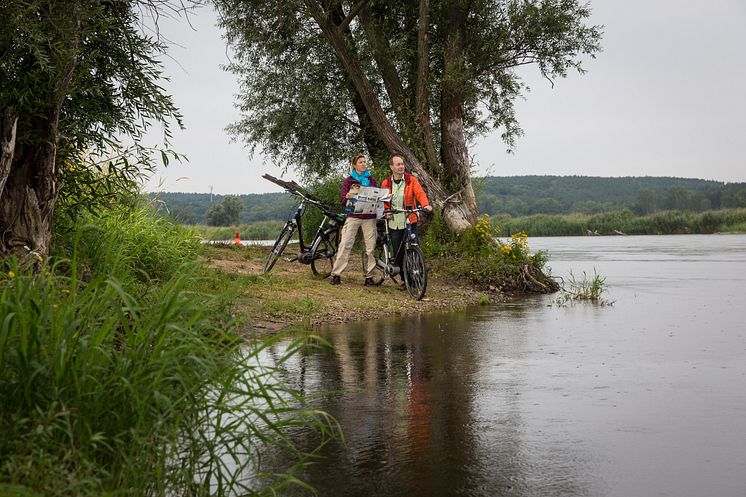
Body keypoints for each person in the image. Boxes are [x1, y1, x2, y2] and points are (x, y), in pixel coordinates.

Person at [379, 154, 432, 278]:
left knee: (414, 246)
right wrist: (387, 212)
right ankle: (405, 278)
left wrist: (426, 205)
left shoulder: (411, 180)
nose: (401, 166)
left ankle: (417, 277)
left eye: (402, 164)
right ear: (392, 167)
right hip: (394, 222)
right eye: (398, 164)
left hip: (409, 219)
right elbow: (384, 201)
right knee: (399, 251)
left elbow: (420, 194)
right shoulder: (386, 183)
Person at [329, 154, 379, 286]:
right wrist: (348, 197)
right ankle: (336, 274)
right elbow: (343, 200)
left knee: (369, 247)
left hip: (369, 217)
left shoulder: (372, 180)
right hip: (353, 216)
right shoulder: (349, 181)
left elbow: (376, 196)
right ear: (354, 165)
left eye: (364, 162)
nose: (363, 164)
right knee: (345, 244)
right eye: (360, 162)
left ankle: (369, 277)